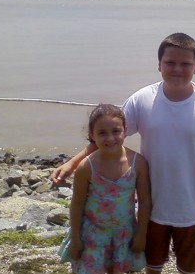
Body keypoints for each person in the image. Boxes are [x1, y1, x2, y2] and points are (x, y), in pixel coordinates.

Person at [52, 33, 195, 274]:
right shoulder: (142, 100)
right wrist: (71, 164)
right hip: (151, 208)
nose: (177, 69)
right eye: (170, 62)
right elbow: (109, 137)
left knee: (193, 269)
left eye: (186, 64)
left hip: (193, 208)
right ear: (159, 64)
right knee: (152, 267)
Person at [58, 104, 151, 274]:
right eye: (102, 133)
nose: (110, 138)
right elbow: (77, 204)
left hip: (123, 233)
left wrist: (141, 234)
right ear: (91, 135)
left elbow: (145, 201)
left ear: (125, 130)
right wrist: (77, 238)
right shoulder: (86, 167)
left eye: (116, 131)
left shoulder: (138, 163)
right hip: (92, 233)